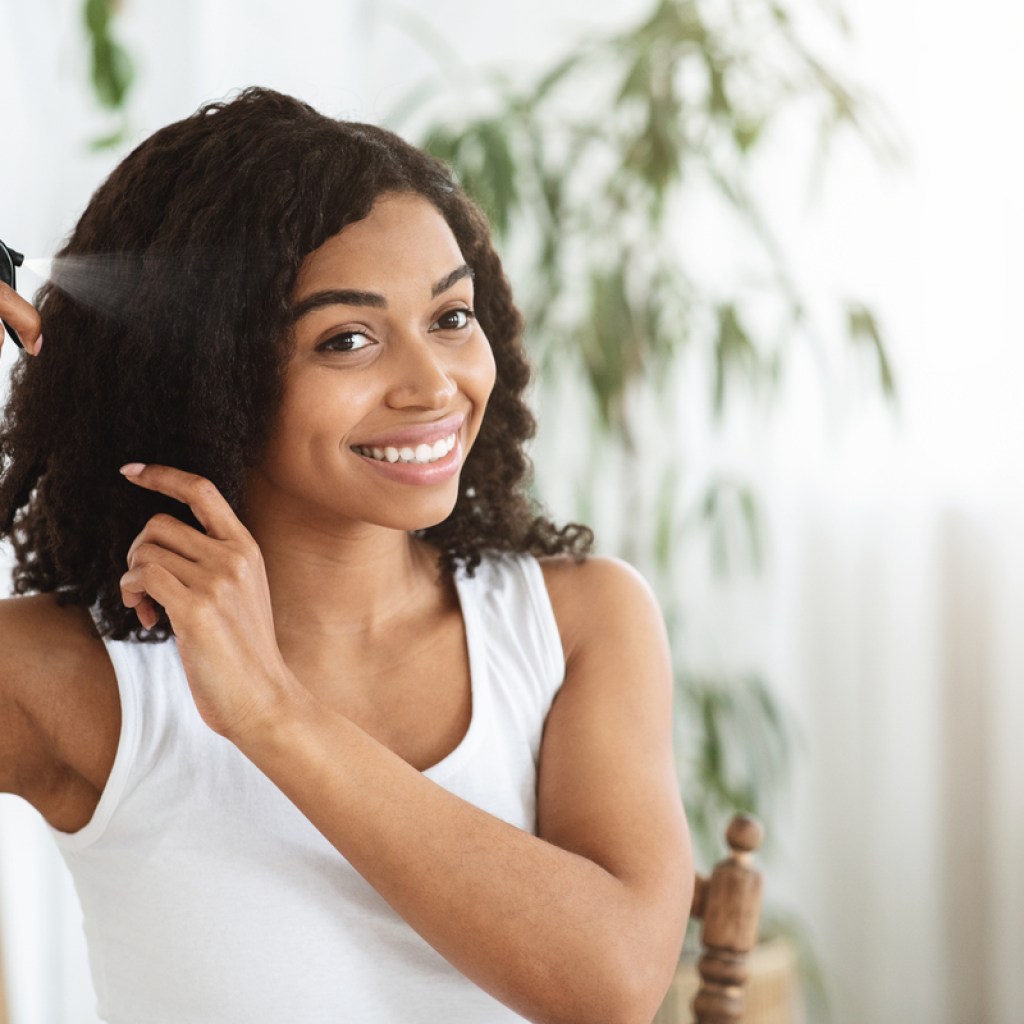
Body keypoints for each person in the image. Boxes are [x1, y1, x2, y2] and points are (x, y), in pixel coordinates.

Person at [0, 88, 693, 1023]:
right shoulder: (76, 678)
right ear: (203, 369)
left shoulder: (577, 621)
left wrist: (273, 713)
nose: (434, 383)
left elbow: (610, 984)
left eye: (452, 316)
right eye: (348, 339)